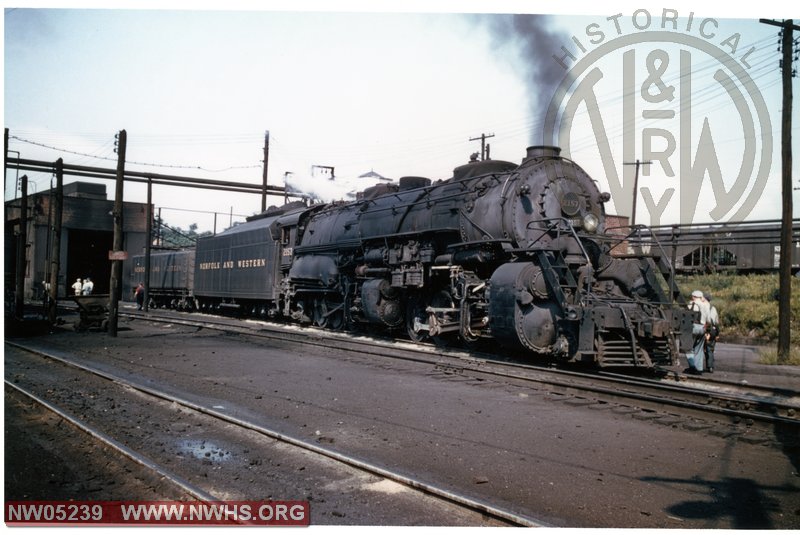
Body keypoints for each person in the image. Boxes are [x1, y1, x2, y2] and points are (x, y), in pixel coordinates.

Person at [686, 289, 709, 374]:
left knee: (688, 347)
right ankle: (699, 369)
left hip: (693, 327)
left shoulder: (691, 304)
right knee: (699, 349)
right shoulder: (705, 305)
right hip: (702, 327)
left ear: (694, 297)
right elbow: (708, 319)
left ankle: (692, 367)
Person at [704, 292, 720, 373]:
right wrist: (717, 334)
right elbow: (716, 322)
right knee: (710, 349)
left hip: (707, 330)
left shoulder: (704, 307)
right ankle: (710, 366)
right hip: (714, 331)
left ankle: (709, 366)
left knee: (706, 349)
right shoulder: (713, 308)